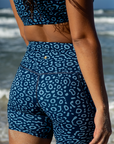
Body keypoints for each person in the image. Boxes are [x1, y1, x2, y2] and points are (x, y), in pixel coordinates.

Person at [7, 0, 112, 144]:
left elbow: (25, 34)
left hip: (26, 78)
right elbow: (82, 38)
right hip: (68, 81)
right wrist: (102, 107)